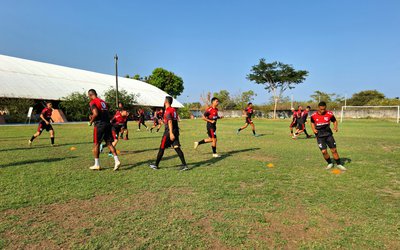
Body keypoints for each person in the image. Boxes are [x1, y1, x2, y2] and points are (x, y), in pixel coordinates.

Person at [150, 97, 188, 171]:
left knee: (162, 147)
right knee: (176, 147)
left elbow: (170, 121)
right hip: (175, 130)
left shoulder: (167, 110)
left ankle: (156, 165)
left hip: (169, 132)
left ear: (166, 102)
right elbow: (173, 120)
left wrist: (170, 133)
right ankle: (184, 165)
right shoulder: (173, 110)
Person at [87, 89, 121, 171]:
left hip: (99, 125)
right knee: (109, 143)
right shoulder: (103, 102)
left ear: (90, 95)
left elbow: (95, 113)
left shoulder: (93, 102)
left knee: (96, 144)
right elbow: (106, 113)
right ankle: (117, 161)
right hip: (107, 124)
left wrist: (91, 121)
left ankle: (97, 164)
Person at [310, 101, 346, 171]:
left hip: (328, 134)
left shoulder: (329, 114)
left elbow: (334, 121)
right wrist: (313, 129)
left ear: (325, 107)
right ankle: (330, 163)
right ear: (318, 108)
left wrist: (335, 126)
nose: (323, 111)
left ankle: (339, 164)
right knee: (324, 151)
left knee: (334, 150)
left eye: (324, 109)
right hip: (319, 135)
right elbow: (312, 122)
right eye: (321, 109)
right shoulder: (313, 115)